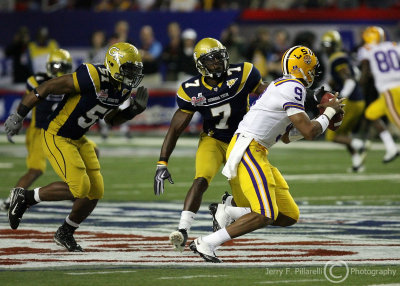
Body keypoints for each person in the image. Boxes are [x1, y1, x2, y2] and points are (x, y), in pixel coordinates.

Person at [189, 45, 344, 262]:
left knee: (288, 215)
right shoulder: (293, 86)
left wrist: (324, 118)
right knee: (264, 214)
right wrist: (329, 113)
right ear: (303, 69)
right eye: (311, 68)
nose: (314, 73)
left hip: (255, 151)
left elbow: (289, 135)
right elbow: (309, 131)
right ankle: (207, 242)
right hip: (249, 149)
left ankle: (229, 211)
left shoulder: (284, 86)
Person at [4, 42, 148, 252]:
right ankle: (24, 197)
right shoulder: (94, 75)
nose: (132, 75)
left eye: (135, 70)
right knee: (79, 187)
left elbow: (110, 120)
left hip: (79, 137)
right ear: (114, 65)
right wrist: (19, 114)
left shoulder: (123, 88)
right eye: (129, 69)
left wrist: (131, 112)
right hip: (57, 134)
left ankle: (66, 231)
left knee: (95, 190)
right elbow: (49, 86)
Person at [153, 37, 268, 252]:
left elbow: (266, 91)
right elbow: (175, 129)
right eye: (211, 60)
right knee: (200, 180)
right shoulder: (192, 90)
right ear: (200, 64)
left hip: (241, 142)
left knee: (249, 203)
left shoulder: (243, 73)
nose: (217, 63)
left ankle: (225, 208)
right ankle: (183, 230)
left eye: (219, 58)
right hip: (213, 139)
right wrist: (162, 162)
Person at [1, 49, 95, 211]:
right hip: (39, 131)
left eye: (62, 67)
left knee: (94, 150)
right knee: (35, 170)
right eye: (55, 66)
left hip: (63, 131)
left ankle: (77, 194)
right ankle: (11, 201)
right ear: (48, 66)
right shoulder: (36, 81)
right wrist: (17, 119)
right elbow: (27, 100)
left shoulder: (73, 82)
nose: (58, 71)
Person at [320, 30, 367, 172]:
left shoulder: (337, 58)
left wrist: (340, 99)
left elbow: (350, 80)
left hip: (351, 101)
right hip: (357, 100)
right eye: (324, 44)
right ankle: (357, 163)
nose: (326, 47)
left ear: (335, 45)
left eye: (328, 44)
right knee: (344, 135)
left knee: (332, 135)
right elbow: (353, 75)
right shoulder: (340, 57)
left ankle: (361, 144)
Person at [358, 26, 399, 163]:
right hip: (393, 89)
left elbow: (365, 70)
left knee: (397, 121)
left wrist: (361, 81)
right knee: (371, 113)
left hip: (389, 90)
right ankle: (391, 147)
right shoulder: (394, 46)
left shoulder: (367, 49)